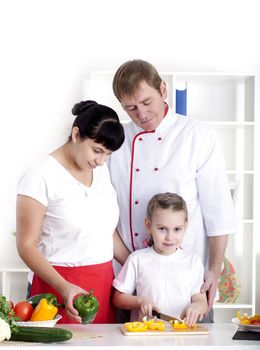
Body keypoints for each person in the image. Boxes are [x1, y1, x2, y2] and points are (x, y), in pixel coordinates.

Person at [108, 59, 236, 322]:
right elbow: (104, 213)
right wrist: (136, 263)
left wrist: (213, 270)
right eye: (130, 108)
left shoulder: (197, 135)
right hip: (131, 283)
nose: (141, 114)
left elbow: (218, 212)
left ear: (163, 90)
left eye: (147, 102)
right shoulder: (116, 142)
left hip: (189, 285)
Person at [16, 100, 128, 324]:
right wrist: (64, 287)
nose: (101, 160)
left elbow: (105, 230)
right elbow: (26, 245)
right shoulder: (40, 176)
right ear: (76, 134)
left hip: (103, 284)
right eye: (97, 151)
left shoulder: (101, 171)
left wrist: (137, 265)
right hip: (57, 286)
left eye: (108, 154)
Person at [113, 193, 208, 326]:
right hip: (144, 335)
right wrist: (140, 302)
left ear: (185, 226)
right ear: (148, 225)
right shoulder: (137, 259)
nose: (170, 237)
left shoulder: (193, 262)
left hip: (180, 336)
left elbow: (201, 300)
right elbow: (118, 298)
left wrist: (196, 307)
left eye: (177, 229)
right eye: (162, 229)